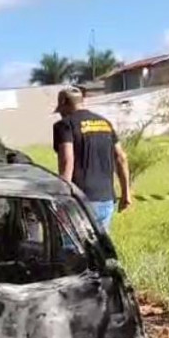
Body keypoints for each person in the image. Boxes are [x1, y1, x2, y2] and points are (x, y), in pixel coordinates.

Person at [52, 87, 132, 232]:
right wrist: (126, 193)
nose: (60, 115)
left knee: (74, 249)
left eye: (60, 110)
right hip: (106, 198)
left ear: (64, 103)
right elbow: (121, 157)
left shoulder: (64, 125)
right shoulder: (105, 123)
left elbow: (67, 160)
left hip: (81, 200)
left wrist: (63, 198)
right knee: (99, 249)